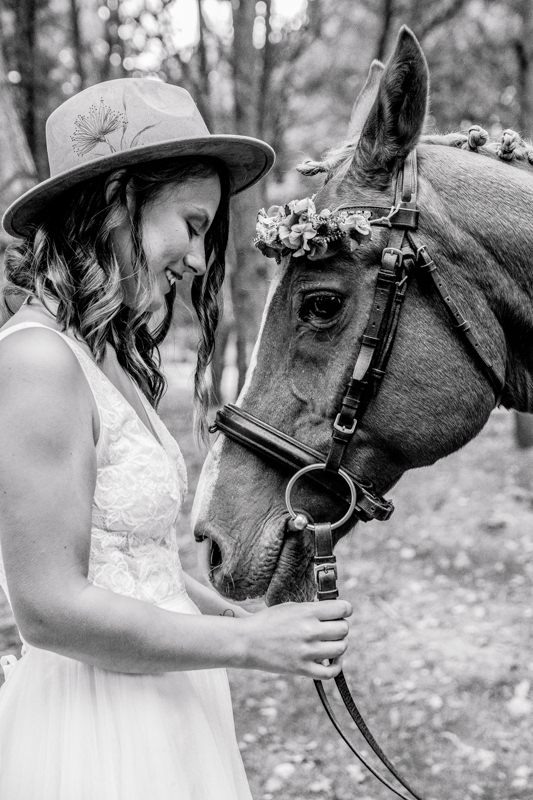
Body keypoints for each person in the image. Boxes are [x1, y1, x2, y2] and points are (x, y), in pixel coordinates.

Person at [0, 78, 352, 800]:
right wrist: (247, 645)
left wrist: (250, 618)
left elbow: (136, 564)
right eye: (191, 225)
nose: (197, 259)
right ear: (119, 199)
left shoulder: (98, 353)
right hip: (100, 732)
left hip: (168, 703)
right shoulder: (36, 361)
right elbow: (49, 608)